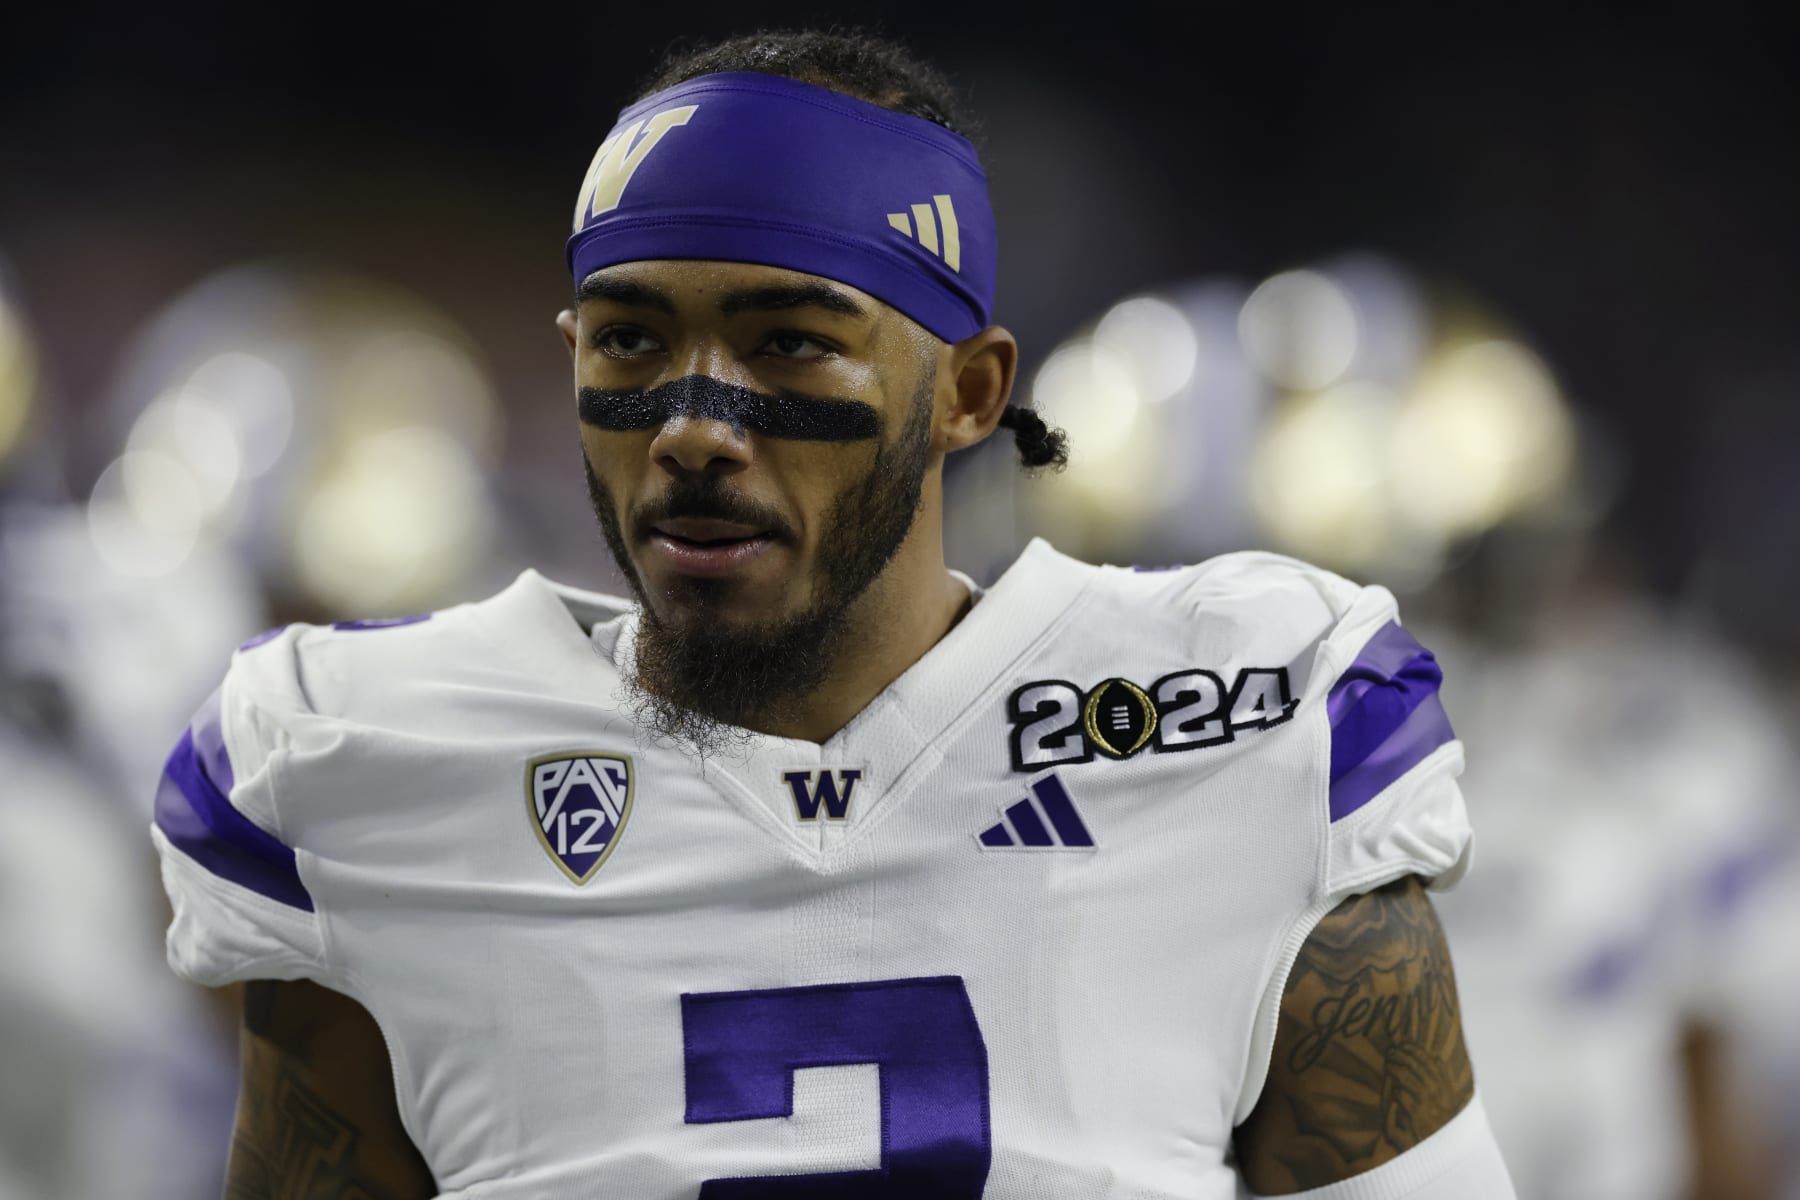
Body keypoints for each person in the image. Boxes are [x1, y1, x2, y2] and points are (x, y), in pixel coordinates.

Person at [151, 29, 1514, 1198]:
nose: (692, 423)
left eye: (791, 342)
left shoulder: (1250, 726)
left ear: (970, 396)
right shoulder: (368, 767)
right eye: (630, 338)